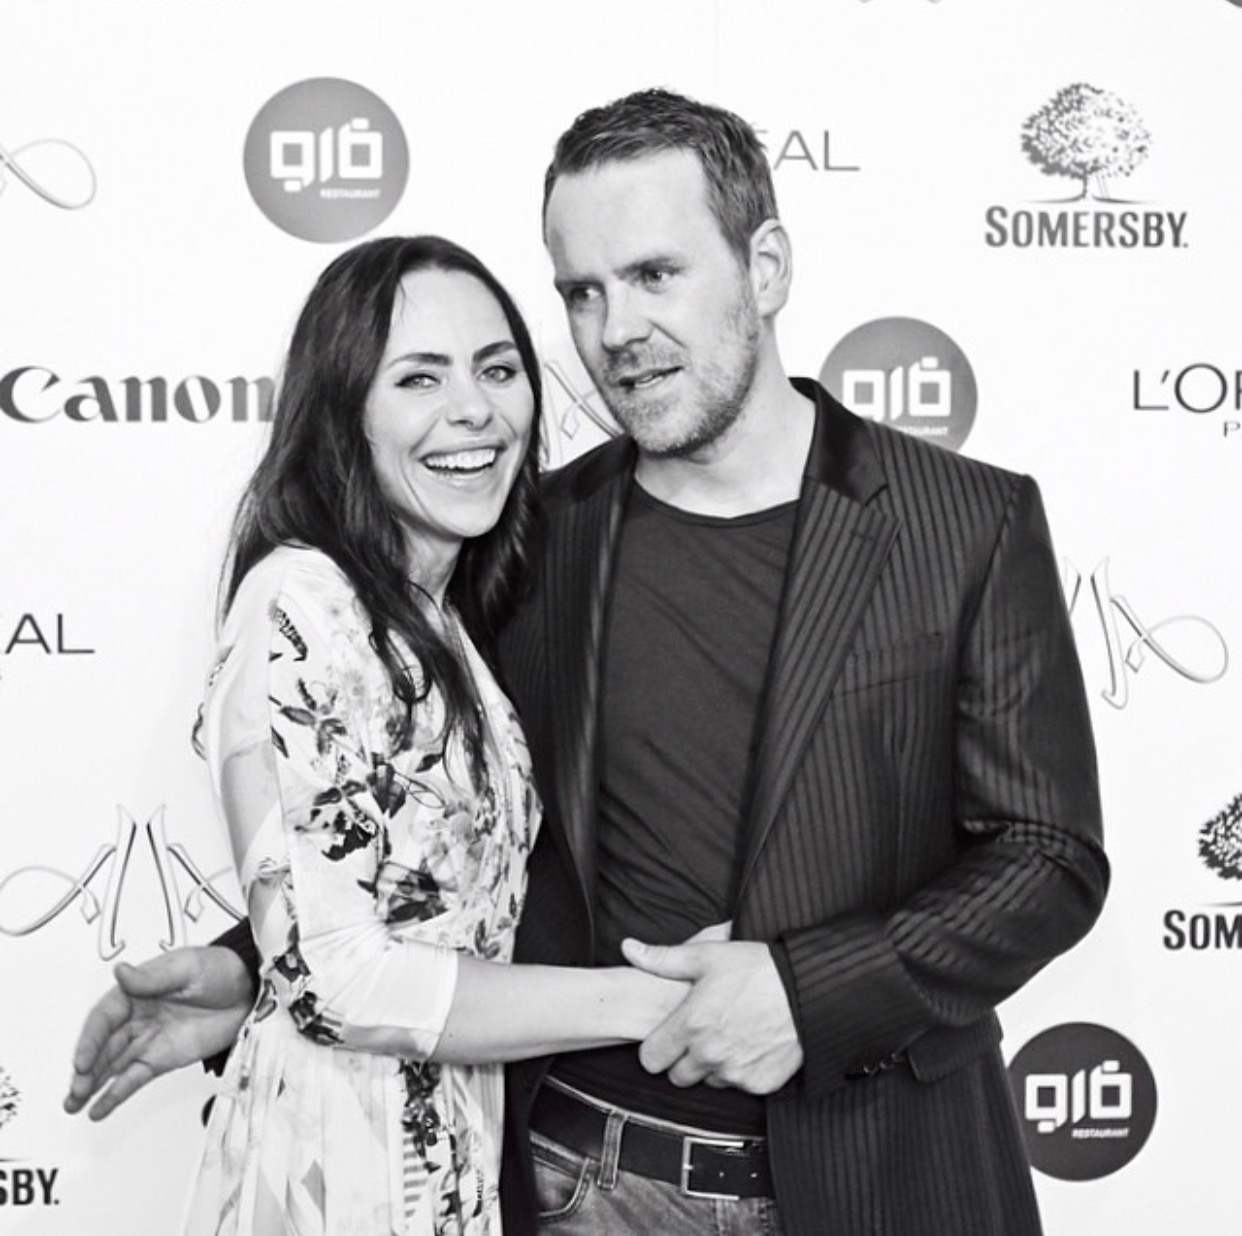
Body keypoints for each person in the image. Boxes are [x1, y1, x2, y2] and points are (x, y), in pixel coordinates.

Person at [66, 92, 1109, 1236]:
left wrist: (808, 996)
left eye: (655, 275)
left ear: (765, 267)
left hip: (886, 1176)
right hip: (585, 1183)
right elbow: (448, 822)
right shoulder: (531, 538)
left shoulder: (964, 523)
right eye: (582, 292)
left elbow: (1048, 859)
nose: (616, 330)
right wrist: (260, 964)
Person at [104, 234, 691, 1236]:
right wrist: (651, 1002)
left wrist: (248, 968)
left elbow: (415, 910)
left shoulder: (446, 622)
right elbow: (337, 978)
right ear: (346, 414)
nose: (473, 409)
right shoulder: (302, 600)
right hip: (338, 1175)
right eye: (420, 377)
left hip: (454, 1163)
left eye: (497, 370)